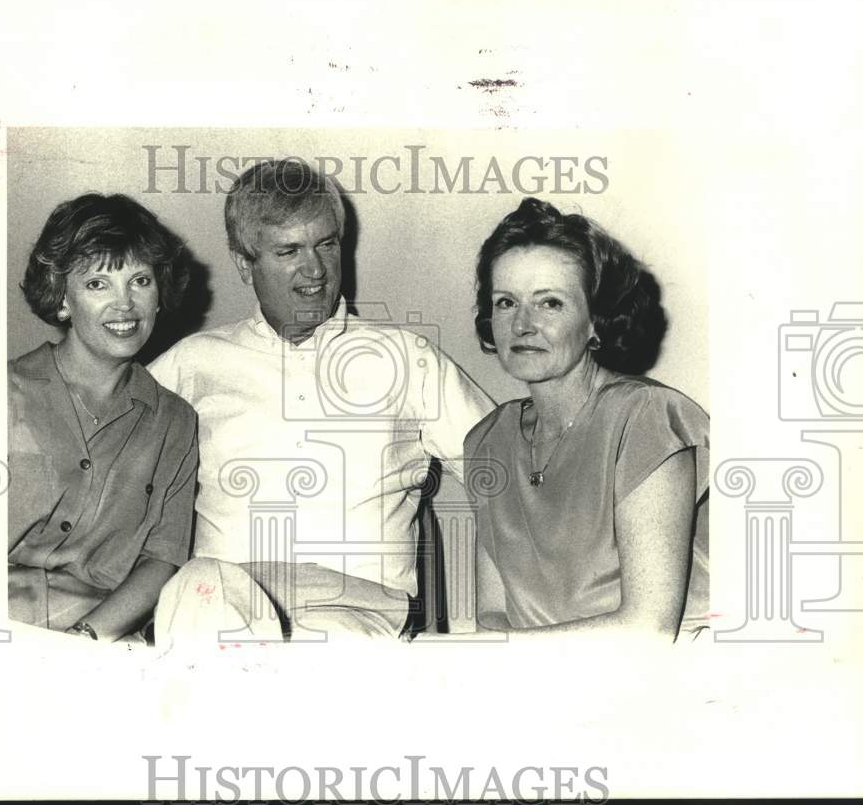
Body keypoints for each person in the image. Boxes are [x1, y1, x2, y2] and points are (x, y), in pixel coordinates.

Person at [149, 158, 494, 645]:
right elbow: (107, 475)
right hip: (220, 604)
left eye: (326, 244)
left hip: (355, 614)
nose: (315, 269)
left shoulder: (409, 359)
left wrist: (491, 619)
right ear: (244, 263)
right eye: (289, 250)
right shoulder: (191, 364)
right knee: (198, 591)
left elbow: (513, 478)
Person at [466, 197, 709, 641]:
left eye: (550, 303)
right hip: (534, 678)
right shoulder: (488, 441)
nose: (522, 325)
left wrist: (499, 654)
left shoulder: (647, 420)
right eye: (505, 302)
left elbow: (648, 629)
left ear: (597, 321)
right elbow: (492, 615)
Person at [8, 193, 200, 642]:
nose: (125, 305)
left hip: (103, 634)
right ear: (62, 301)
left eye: (140, 281)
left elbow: (162, 559)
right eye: (98, 284)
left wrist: (85, 639)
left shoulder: (175, 422)